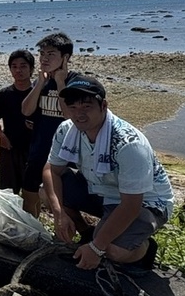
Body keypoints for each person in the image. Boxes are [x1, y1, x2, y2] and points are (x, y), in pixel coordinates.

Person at [41, 75, 174, 273]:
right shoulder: (67, 130)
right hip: (102, 190)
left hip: (146, 202)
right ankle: (88, 232)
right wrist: (59, 215)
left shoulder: (128, 144)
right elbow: (51, 170)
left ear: (103, 105)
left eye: (86, 106)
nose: (79, 114)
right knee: (46, 193)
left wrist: (97, 248)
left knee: (112, 251)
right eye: (73, 107)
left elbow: (131, 205)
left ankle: (145, 249)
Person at [21, 32, 75, 216]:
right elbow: (26, 110)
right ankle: (33, 234)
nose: (44, 58)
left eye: (50, 54)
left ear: (65, 57)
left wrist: (60, 82)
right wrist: (39, 84)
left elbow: (71, 117)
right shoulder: (40, 81)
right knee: (29, 195)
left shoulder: (75, 82)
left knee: (62, 202)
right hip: (38, 149)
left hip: (65, 154)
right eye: (42, 53)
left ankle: (62, 240)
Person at [0, 50, 37, 212]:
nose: (18, 70)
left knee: (32, 193)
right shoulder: (5, 94)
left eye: (23, 66)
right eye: (14, 66)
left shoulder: (38, 93)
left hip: (33, 151)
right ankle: (10, 224)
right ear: (10, 69)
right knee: (7, 192)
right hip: (9, 149)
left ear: (31, 69)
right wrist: (1, 136)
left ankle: (32, 226)